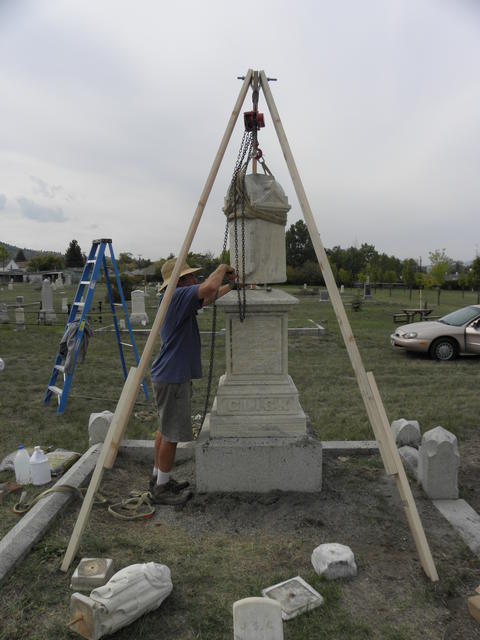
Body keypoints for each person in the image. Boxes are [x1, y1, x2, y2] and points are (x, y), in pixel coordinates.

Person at [149, 257, 235, 505]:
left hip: (168, 374)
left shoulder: (174, 299)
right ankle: (161, 489)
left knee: (164, 430)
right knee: (172, 434)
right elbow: (207, 289)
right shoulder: (177, 296)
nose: (195, 280)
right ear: (179, 281)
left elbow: (208, 297)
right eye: (190, 277)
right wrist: (221, 268)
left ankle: (158, 478)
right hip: (173, 376)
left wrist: (233, 287)